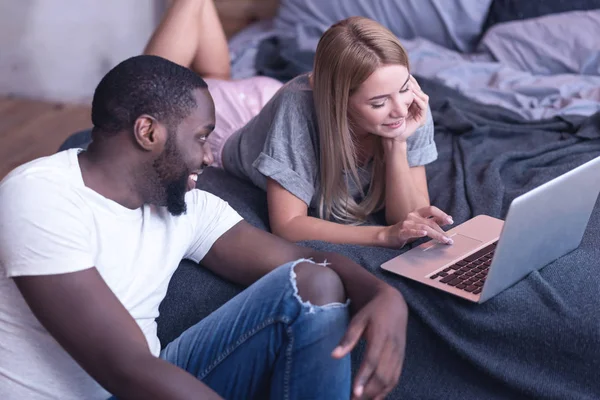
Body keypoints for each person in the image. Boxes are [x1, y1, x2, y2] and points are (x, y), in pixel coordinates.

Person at [0, 55, 408, 399]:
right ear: (148, 132)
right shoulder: (40, 196)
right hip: (122, 381)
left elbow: (307, 260)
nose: (209, 157)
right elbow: (125, 367)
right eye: (201, 137)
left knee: (316, 284)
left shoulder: (187, 207)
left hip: (146, 378)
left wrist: (383, 294)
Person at [143, 1, 455, 249]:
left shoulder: (410, 106)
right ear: (336, 100)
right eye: (379, 102)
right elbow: (289, 225)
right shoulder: (298, 107)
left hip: (265, 102)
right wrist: (383, 236)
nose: (401, 108)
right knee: (151, 87)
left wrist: (397, 142)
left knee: (219, 75)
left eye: (404, 87)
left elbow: (409, 219)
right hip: (227, 120)